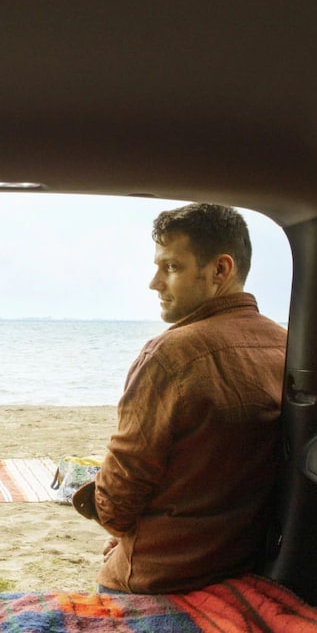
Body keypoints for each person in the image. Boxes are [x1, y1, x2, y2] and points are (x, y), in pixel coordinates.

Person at [73, 203, 286, 593]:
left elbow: (117, 503)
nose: (155, 283)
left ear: (220, 270)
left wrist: (113, 525)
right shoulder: (286, 347)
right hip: (243, 566)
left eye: (171, 267)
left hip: (161, 578)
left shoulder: (170, 357)